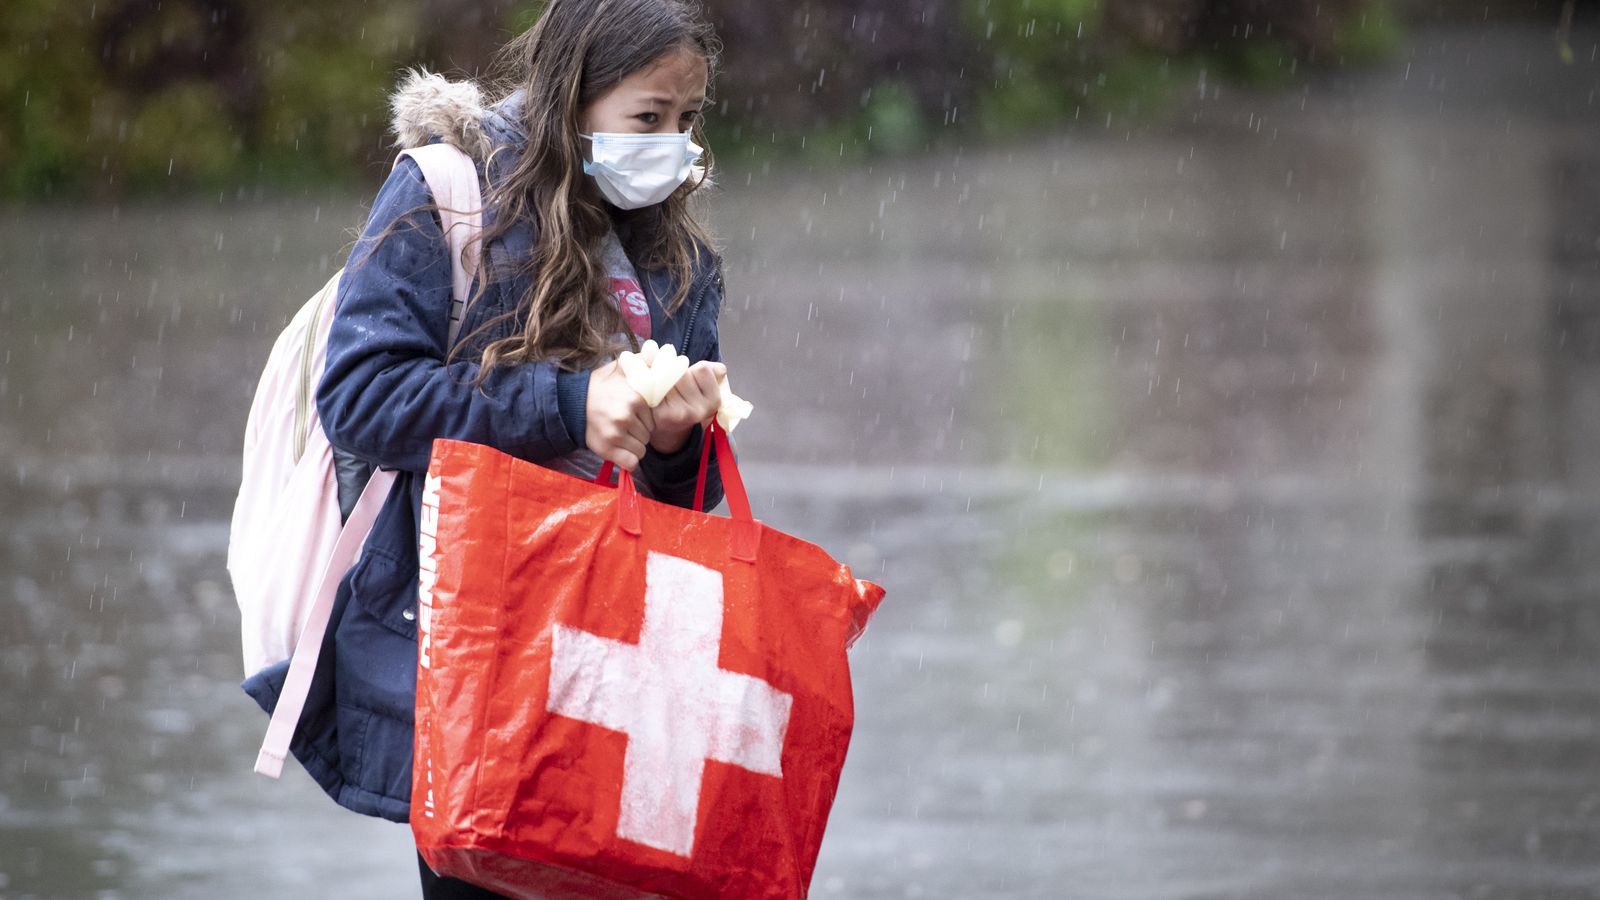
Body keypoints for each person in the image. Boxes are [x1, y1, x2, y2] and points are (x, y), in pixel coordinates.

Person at [240, 1, 730, 896]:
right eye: (647, 117)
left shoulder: (679, 259)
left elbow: (683, 513)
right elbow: (362, 397)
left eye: (687, 119)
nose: (670, 145)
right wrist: (568, 405)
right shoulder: (449, 193)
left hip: (614, 665)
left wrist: (671, 443)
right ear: (570, 98)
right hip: (473, 648)